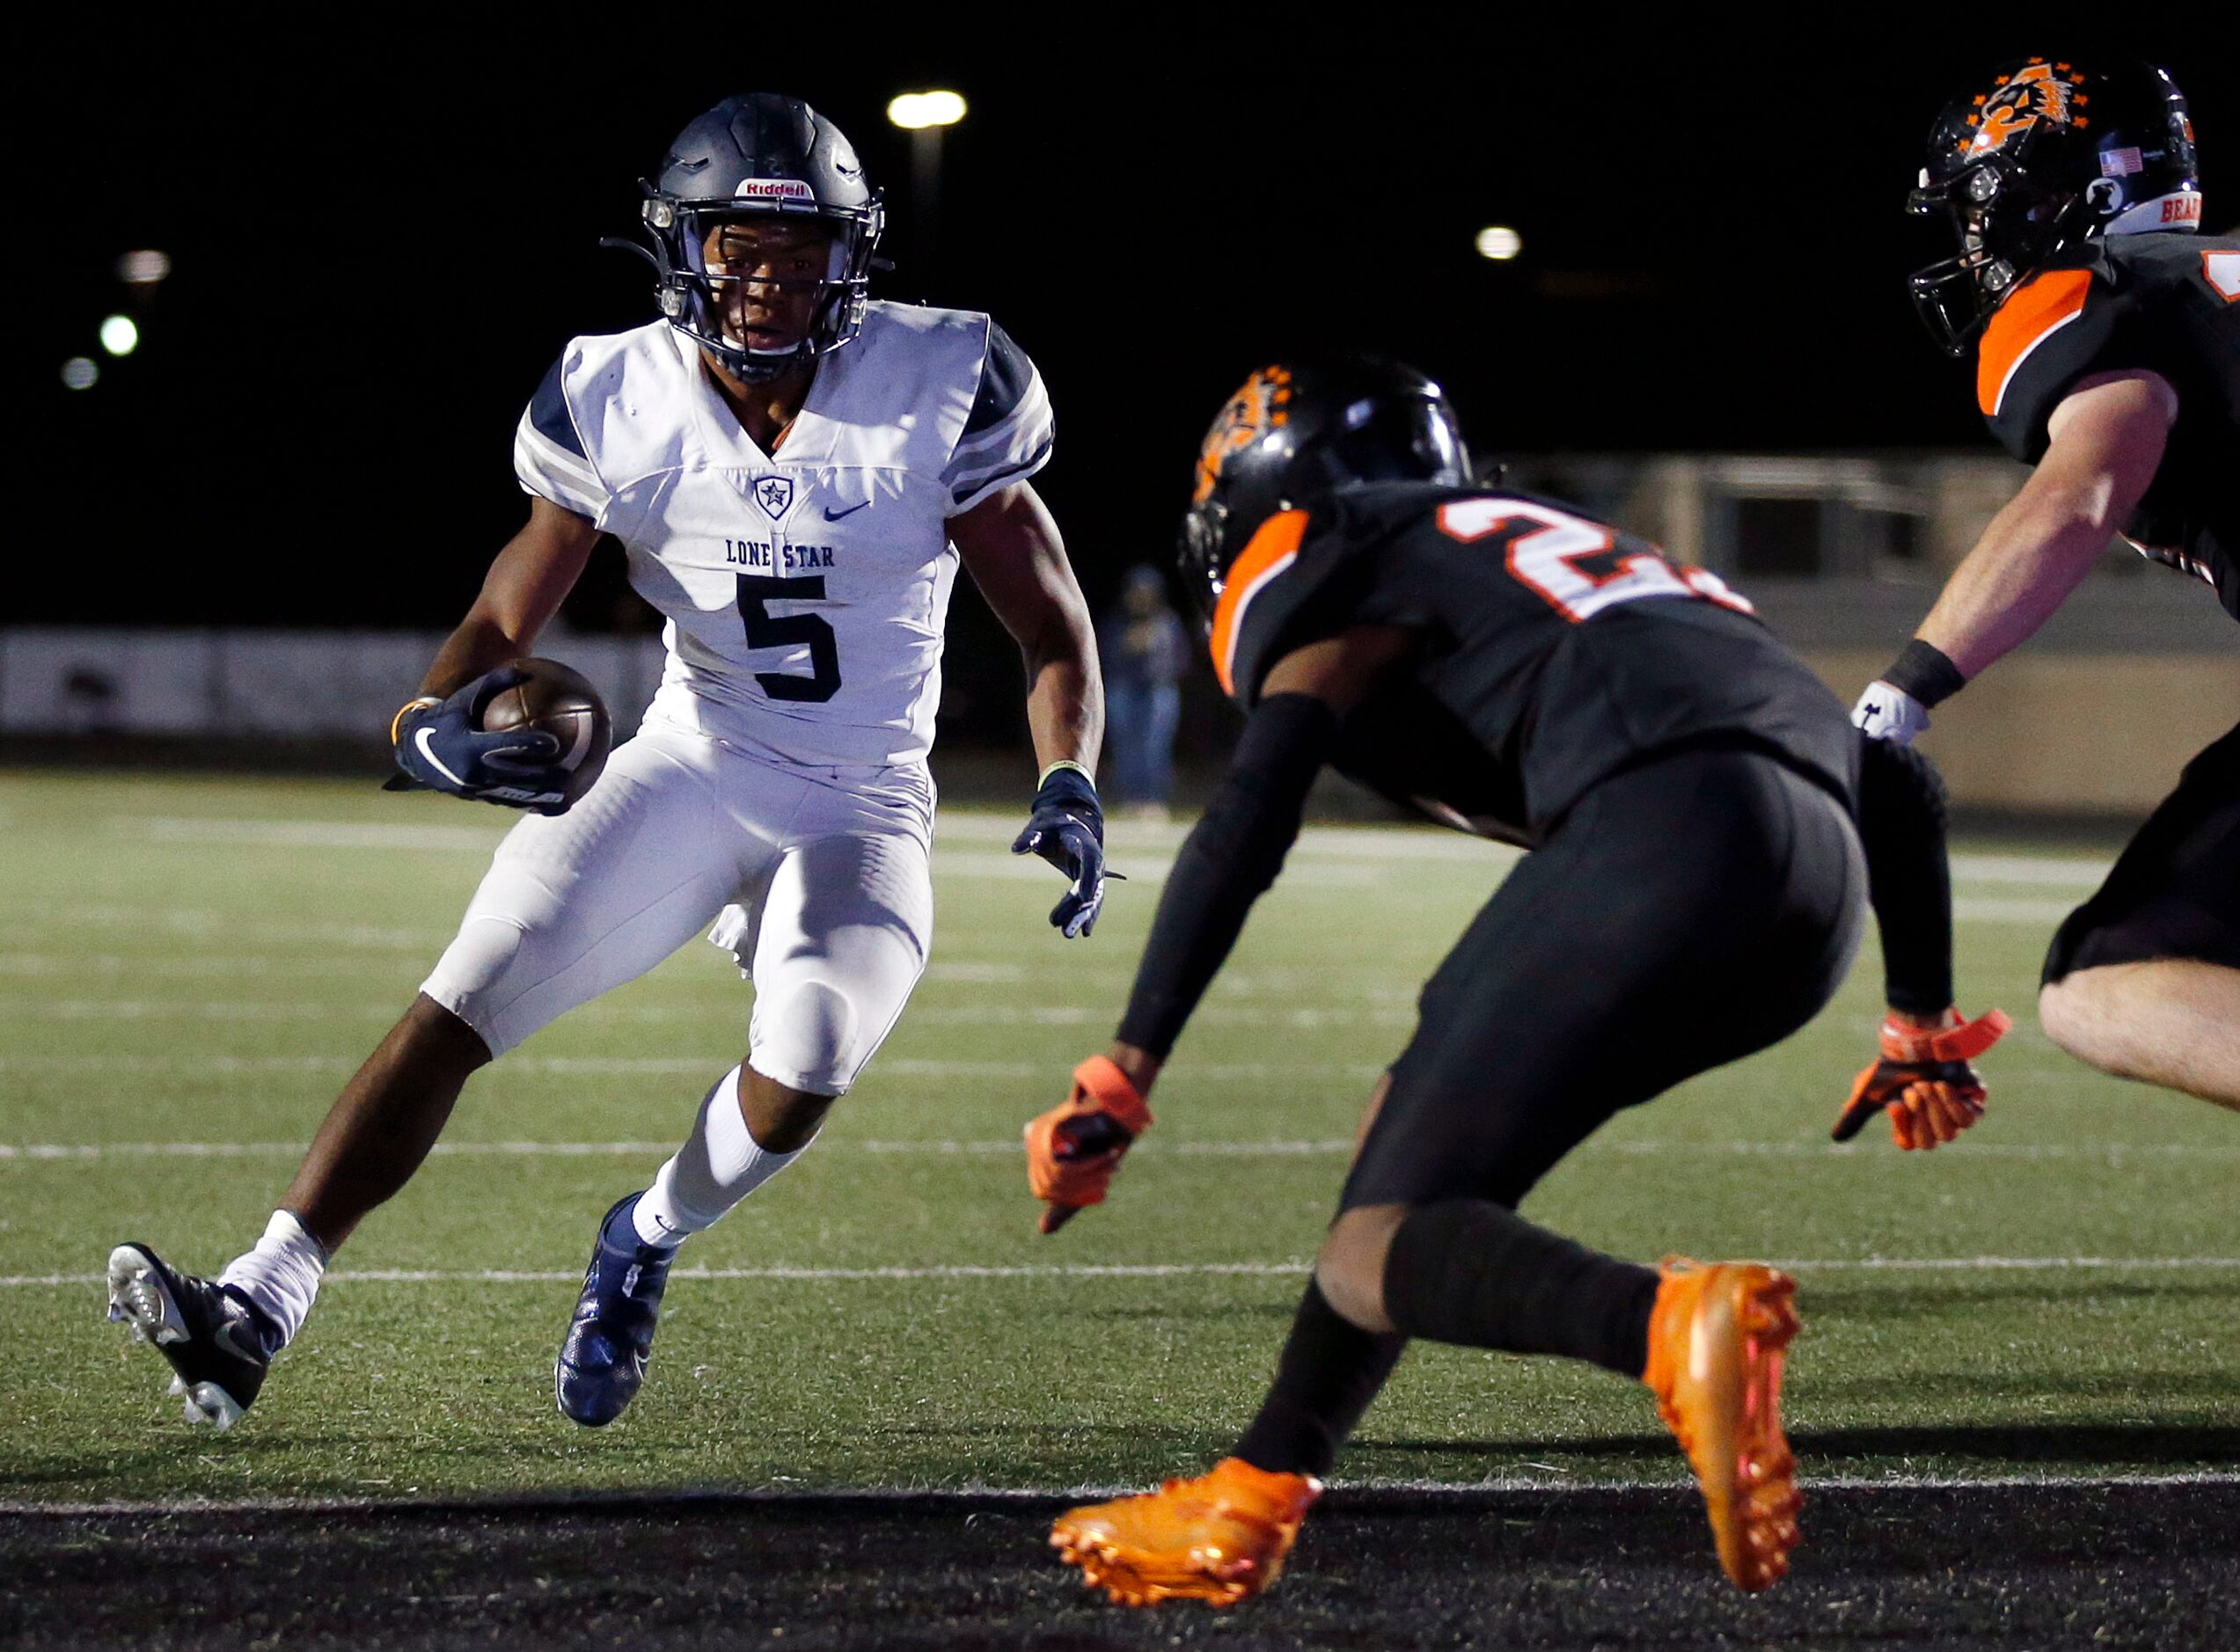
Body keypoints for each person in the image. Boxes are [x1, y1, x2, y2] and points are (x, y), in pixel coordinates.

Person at [105, 92, 1108, 1432]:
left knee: (808, 1055)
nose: (767, 281)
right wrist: (427, 715)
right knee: (465, 990)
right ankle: (257, 1300)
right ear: (679, 250)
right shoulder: (608, 391)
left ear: (850, 255)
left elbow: (1049, 622)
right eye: (738, 251)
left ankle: (641, 1232)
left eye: (799, 250)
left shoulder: (942, 380)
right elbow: (506, 608)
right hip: (692, 763)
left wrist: (1069, 778)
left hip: (860, 801)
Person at [1021, 359, 2003, 1607]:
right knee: (1405, 1162)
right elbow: (1896, 779)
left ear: (1273, 486)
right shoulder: (1584, 547)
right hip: (1814, 888)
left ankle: (1664, 1323)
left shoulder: (1337, 538)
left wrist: (1127, 1064)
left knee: (1373, 1240)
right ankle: (1257, 1491)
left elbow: (1254, 806)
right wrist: (1918, 1018)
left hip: (1661, 826)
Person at [1856, 57, 2238, 1122]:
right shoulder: (2208, 277)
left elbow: (2077, 498)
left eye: (1983, 213)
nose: (1973, 248)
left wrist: (1902, 692)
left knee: (2107, 983)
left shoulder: (2107, 296)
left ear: (2058, 191)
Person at [1099, 564, 1191, 817]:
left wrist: (1157, 660)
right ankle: (1131, 799)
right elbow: (1103, 657)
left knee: (1156, 746)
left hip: (1159, 690)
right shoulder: (1117, 623)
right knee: (1126, 746)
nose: (1142, 597)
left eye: (1147, 592)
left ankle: (1153, 801)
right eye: (1137, 591)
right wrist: (1128, 645)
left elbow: (1182, 659)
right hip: (1123, 689)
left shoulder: (1168, 622)